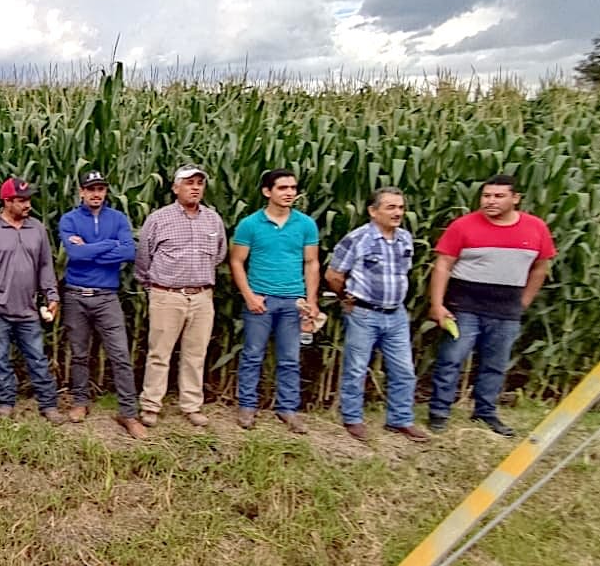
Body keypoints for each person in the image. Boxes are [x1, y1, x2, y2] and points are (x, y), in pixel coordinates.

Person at [426, 174, 555, 437]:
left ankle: (485, 412)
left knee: (495, 364)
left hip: (506, 310)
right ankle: (439, 412)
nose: (490, 201)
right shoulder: (463, 226)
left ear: (515, 198)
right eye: (486, 196)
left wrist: (524, 301)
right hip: (465, 306)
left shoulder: (536, 227)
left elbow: (540, 268)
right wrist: (437, 305)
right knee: (451, 359)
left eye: (498, 196)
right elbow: (443, 265)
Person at [325, 187, 429, 442]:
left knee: (404, 369)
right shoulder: (357, 239)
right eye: (390, 207)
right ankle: (352, 418)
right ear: (373, 211)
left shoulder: (405, 238)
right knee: (357, 368)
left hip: (396, 314)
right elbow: (334, 275)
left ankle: (400, 420)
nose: (397, 213)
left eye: (401, 207)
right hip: (364, 313)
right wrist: (346, 297)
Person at [0, 177, 64, 424]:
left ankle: (49, 405)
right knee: (0, 359)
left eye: (28, 199)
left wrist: (52, 294)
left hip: (28, 309)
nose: (27, 204)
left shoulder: (37, 229)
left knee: (38, 359)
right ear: (7, 201)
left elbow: (45, 265)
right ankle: (6, 402)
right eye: (21, 200)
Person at [135, 164, 225, 430]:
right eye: (189, 183)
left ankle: (191, 406)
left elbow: (219, 255)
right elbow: (143, 259)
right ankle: (151, 405)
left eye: (199, 183)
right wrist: (155, 289)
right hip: (167, 295)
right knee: (159, 354)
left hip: (202, 297)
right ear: (175, 188)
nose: (195, 188)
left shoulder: (213, 220)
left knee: (196, 354)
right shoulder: (159, 219)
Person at [229, 169, 319, 434]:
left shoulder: (305, 224)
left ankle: (287, 409)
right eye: (282, 188)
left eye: (293, 188)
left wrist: (311, 301)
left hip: (293, 301)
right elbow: (236, 261)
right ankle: (247, 406)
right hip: (261, 299)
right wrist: (249, 296)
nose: (290, 193)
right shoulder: (250, 224)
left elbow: (312, 262)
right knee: (252, 354)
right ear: (267, 191)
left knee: (290, 358)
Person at [57, 169, 142, 438]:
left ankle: (128, 413)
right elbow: (75, 253)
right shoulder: (69, 219)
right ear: (81, 192)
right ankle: (80, 401)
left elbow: (129, 251)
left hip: (107, 296)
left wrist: (90, 249)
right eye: (91, 189)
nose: (96, 194)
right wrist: (109, 245)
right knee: (79, 354)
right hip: (76, 295)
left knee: (120, 355)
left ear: (105, 191)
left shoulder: (117, 218)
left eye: (101, 189)